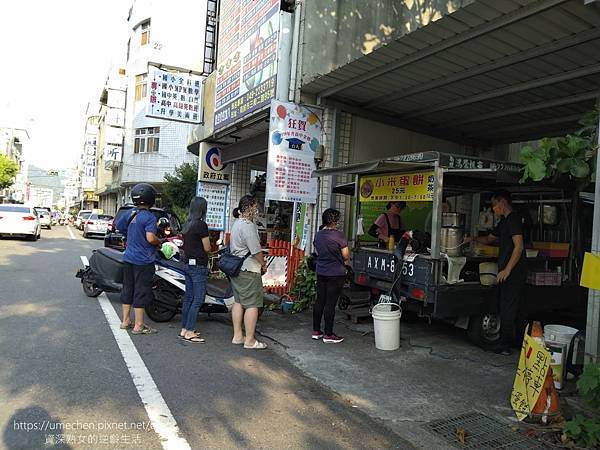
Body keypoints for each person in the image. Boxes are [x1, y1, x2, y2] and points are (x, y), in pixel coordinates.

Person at [467, 190, 527, 355]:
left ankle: (504, 346)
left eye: (494, 205)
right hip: (505, 271)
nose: (493, 209)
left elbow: (519, 246)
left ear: (502, 203)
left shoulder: (514, 219)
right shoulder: (504, 222)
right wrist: (472, 238)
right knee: (506, 306)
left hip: (514, 272)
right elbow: (490, 239)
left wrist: (508, 269)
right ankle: (514, 342)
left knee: (508, 307)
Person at [117, 183, 162, 335]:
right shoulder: (149, 217)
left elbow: (118, 226)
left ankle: (125, 321)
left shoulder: (130, 214)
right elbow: (150, 238)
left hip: (128, 258)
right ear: (151, 199)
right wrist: (159, 242)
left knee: (128, 288)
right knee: (141, 291)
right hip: (144, 261)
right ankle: (139, 326)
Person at [229, 195, 267, 349]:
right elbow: (256, 251)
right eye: (255, 207)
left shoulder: (237, 223)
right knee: (252, 304)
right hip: (249, 270)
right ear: (250, 207)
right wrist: (263, 264)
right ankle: (250, 340)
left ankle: (238, 336)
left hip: (237, 269)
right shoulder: (248, 226)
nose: (256, 210)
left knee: (238, 302)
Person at [312, 208, 350, 344]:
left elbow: (317, 250)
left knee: (320, 301)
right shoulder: (339, 235)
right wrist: (346, 265)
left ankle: (316, 331)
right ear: (335, 220)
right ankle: (328, 334)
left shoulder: (318, 234)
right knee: (330, 303)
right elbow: (346, 255)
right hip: (336, 272)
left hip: (321, 271)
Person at [179, 197, 211, 343]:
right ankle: (190, 331)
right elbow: (207, 248)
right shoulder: (201, 225)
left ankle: (184, 329)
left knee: (189, 298)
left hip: (187, 264)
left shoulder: (188, 224)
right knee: (198, 299)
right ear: (203, 209)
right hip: (198, 266)